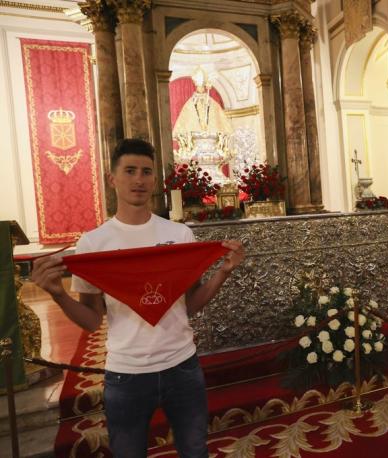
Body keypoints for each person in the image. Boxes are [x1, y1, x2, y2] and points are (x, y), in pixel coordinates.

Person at [31, 138, 245, 457]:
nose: (139, 179)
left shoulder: (179, 235)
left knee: (195, 450)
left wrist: (223, 272)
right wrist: (59, 295)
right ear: (112, 178)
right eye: (130, 170)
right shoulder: (94, 244)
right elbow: (91, 320)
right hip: (126, 373)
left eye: (146, 172)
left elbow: (191, 305)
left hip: (182, 366)